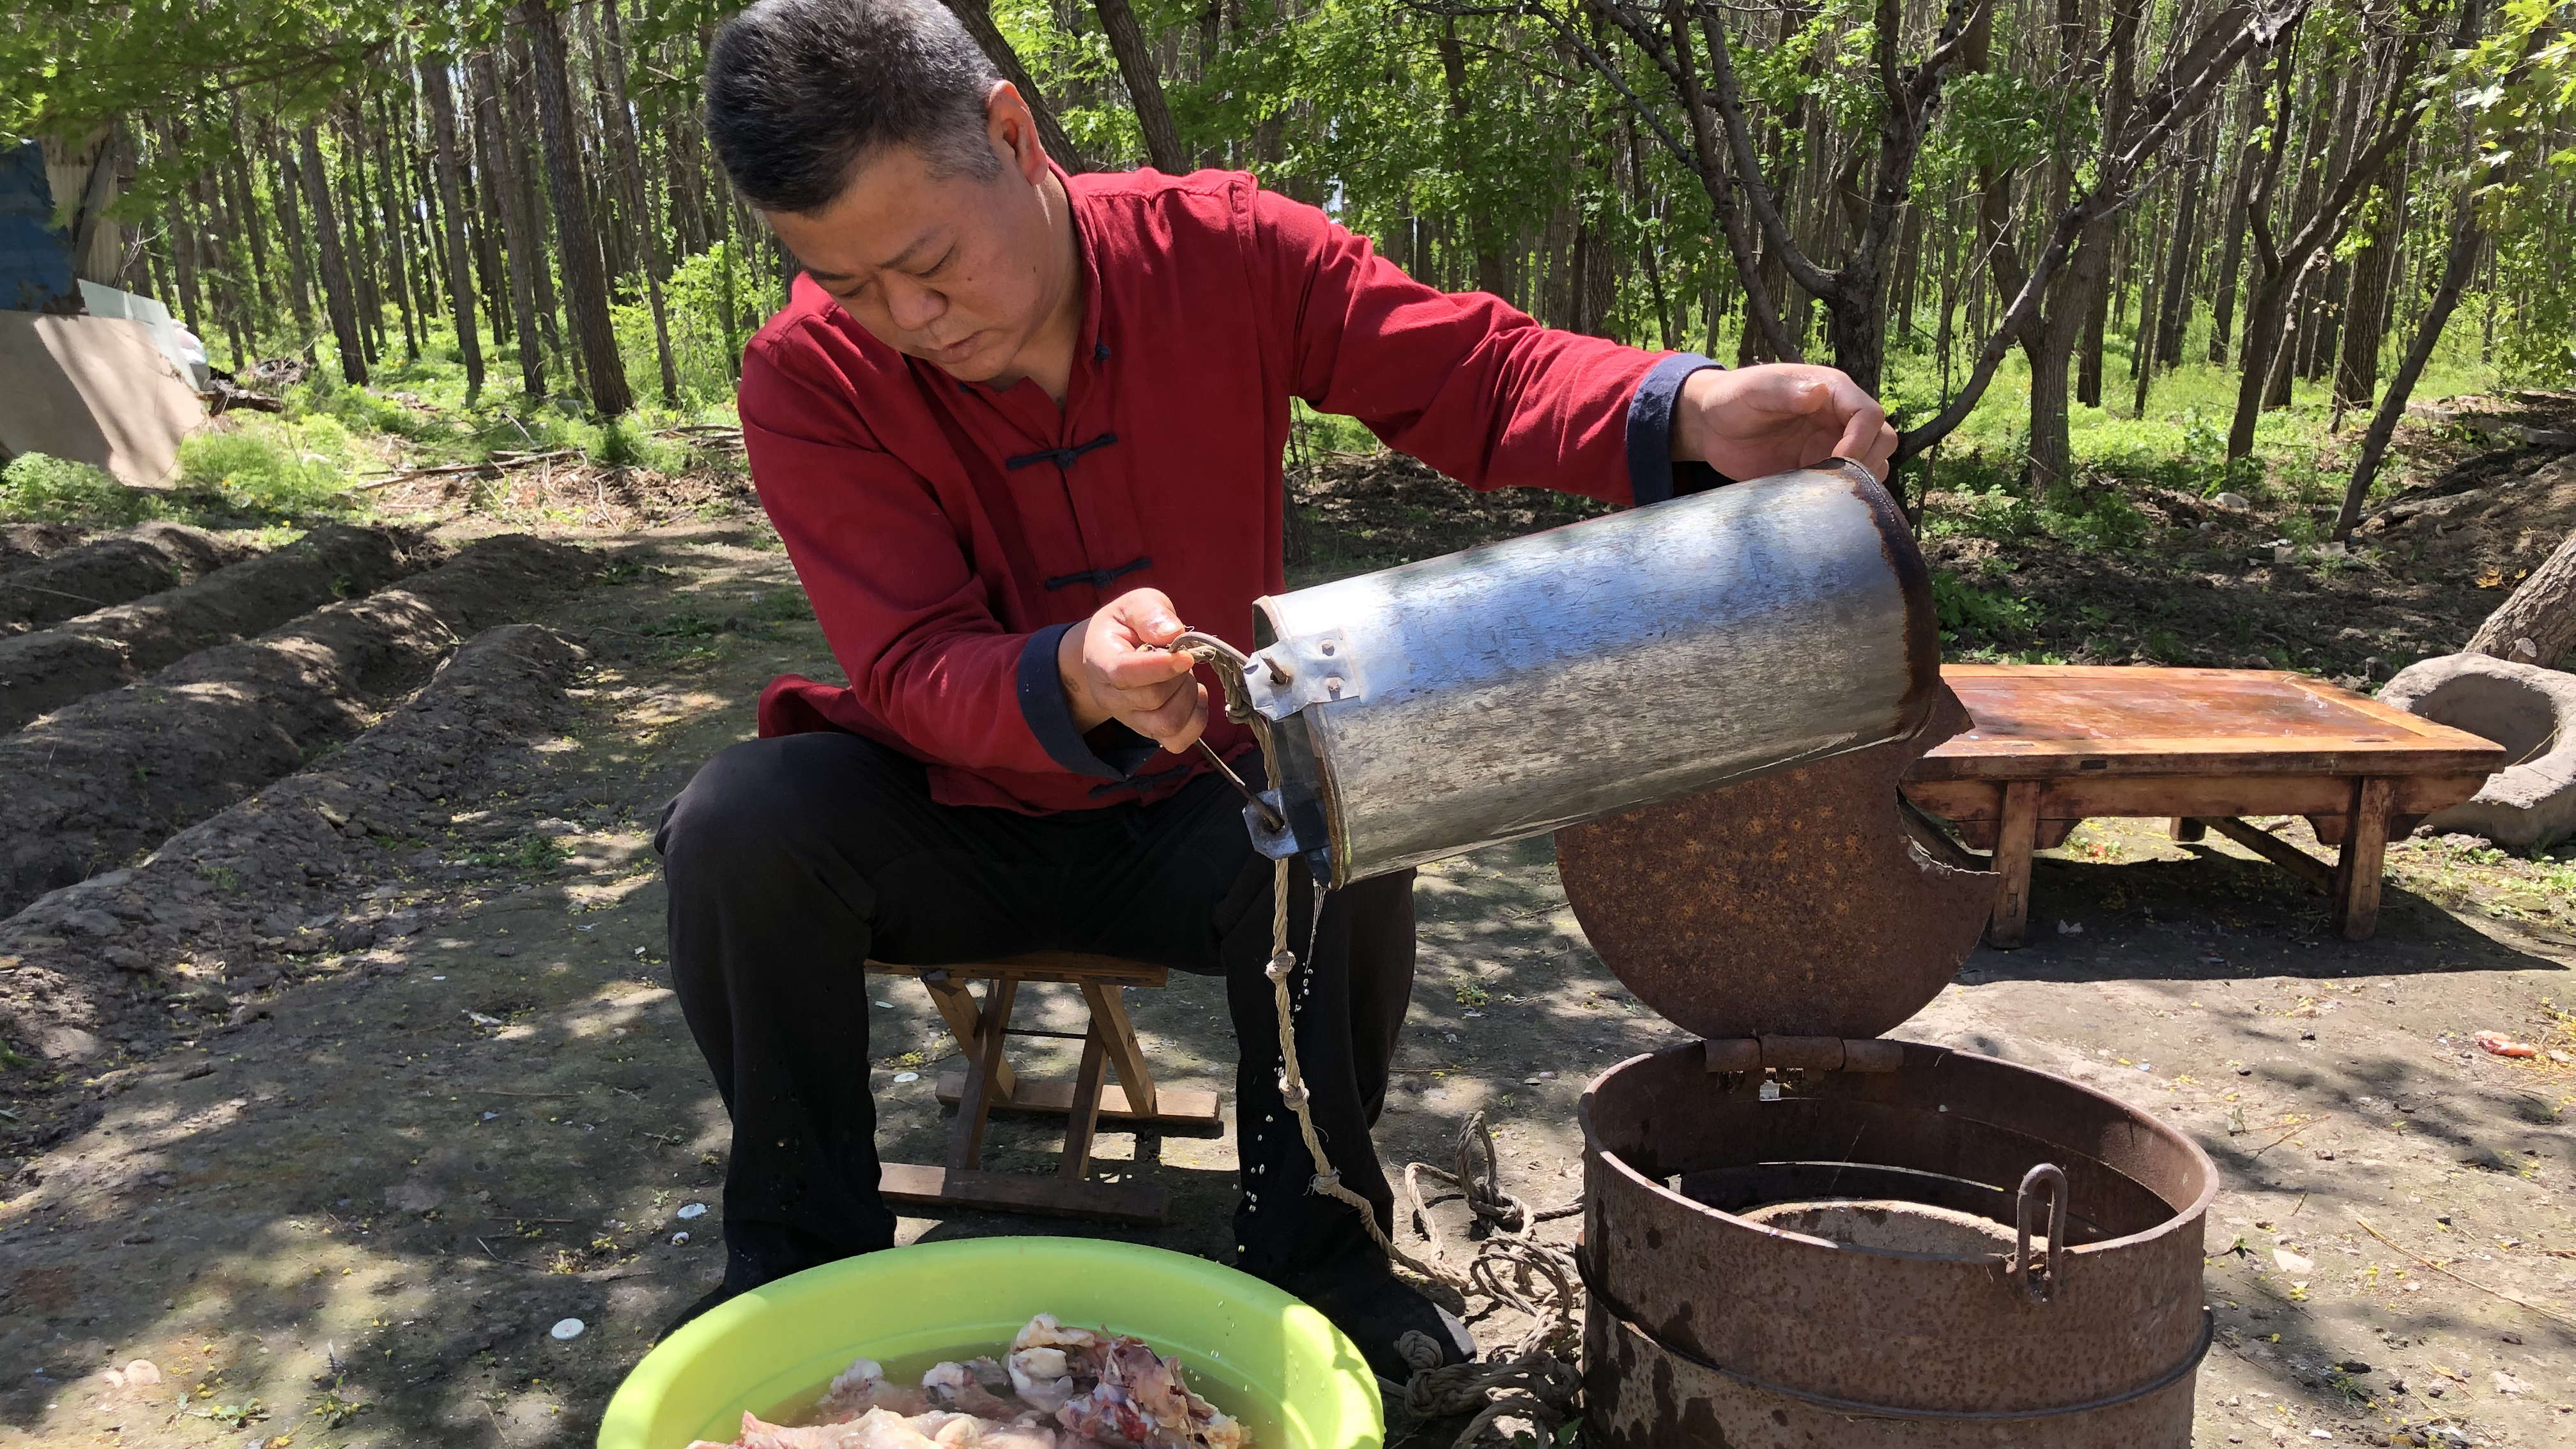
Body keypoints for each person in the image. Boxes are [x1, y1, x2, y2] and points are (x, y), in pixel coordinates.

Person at [661, 0, 1898, 1376]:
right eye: (848, 288)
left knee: (1357, 805)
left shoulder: (1226, 250)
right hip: (954, 818)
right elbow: (902, 662)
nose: (905, 320)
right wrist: (1068, 671)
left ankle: (1314, 1246)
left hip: (1208, 802)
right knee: (738, 822)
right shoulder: (807, 378)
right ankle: (797, 1271)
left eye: (928, 262)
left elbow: (1477, 374)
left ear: (1011, 135)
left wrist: (1684, 409)